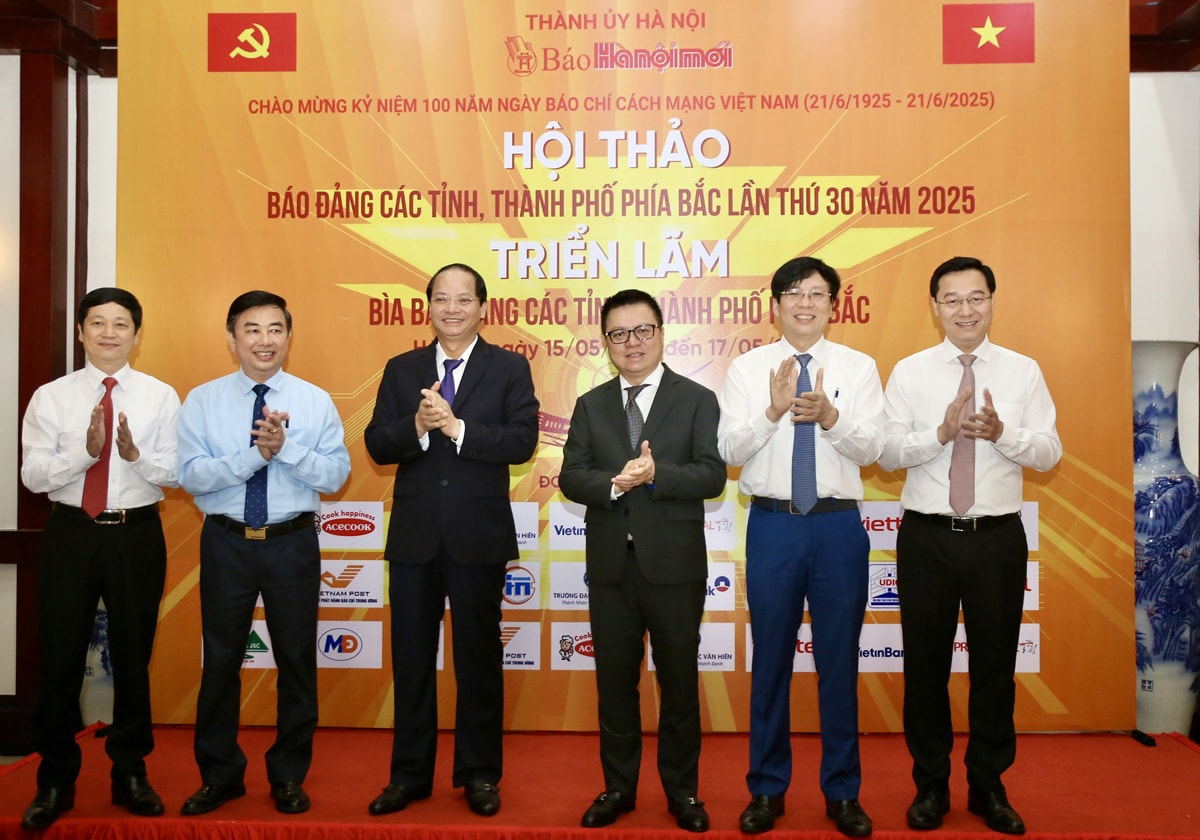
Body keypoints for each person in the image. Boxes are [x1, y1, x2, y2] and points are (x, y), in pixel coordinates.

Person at [879, 256, 1061, 835]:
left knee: (995, 668)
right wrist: (939, 434)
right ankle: (930, 785)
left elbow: (1049, 453)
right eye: (952, 299)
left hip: (997, 539)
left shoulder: (1023, 371)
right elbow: (886, 453)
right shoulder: (910, 372)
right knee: (924, 668)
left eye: (976, 297)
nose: (965, 310)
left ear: (992, 301)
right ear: (935, 307)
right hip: (927, 538)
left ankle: (988, 785)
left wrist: (1004, 434)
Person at [364, 263, 539, 818]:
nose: (453, 309)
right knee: (411, 660)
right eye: (442, 298)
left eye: (464, 299)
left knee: (479, 661)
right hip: (415, 537)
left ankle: (480, 774)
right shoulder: (402, 368)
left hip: (478, 536)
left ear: (483, 307)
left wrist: (456, 427)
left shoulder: (509, 367)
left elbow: (523, 442)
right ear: (429, 307)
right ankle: (409, 776)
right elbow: (377, 443)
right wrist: (417, 425)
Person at [718, 257, 884, 837]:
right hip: (774, 526)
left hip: (838, 528)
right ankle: (767, 789)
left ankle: (843, 793)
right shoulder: (748, 368)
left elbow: (874, 450)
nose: (805, 303)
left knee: (839, 663)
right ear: (775, 305)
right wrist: (773, 410)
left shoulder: (859, 367)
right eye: (793, 293)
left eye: (816, 293)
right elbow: (729, 451)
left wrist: (833, 418)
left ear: (833, 304)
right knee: (770, 662)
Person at [176, 290, 350, 816]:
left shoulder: (314, 400)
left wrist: (286, 449)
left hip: (291, 543)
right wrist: (256, 455)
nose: (264, 340)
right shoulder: (203, 401)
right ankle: (219, 775)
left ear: (289, 337)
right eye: (252, 329)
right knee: (221, 662)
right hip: (226, 541)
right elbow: (191, 477)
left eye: (275, 329)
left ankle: (288, 776)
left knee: (296, 661)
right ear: (232, 338)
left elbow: (336, 475)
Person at [559, 289, 726, 834]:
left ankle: (683, 792)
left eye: (642, 330)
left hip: (675, 566)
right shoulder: (591, 404)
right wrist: (614, 483)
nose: (631, 342)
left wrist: (657, 475)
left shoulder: (696, 398)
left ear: (660, 333)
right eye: (618, 333)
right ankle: (618, 789)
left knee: (678, 683)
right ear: (605, 341)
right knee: (615, 685)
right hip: (611, 567)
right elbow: (571, 476)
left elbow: (712, 474)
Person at [19, 288, 180, 829]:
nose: (109, 333)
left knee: (133, 657)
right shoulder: (51, 397)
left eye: (121, 324)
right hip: (71, 533)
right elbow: (33, 476)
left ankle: (130, 772)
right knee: (60, 656)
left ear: (137, 333)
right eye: (98, 323)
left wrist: (136, 456)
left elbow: (176, 472)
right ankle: (55, 777)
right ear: (81, 332)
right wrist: (84, 453)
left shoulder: (161, 396)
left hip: (136, 534)